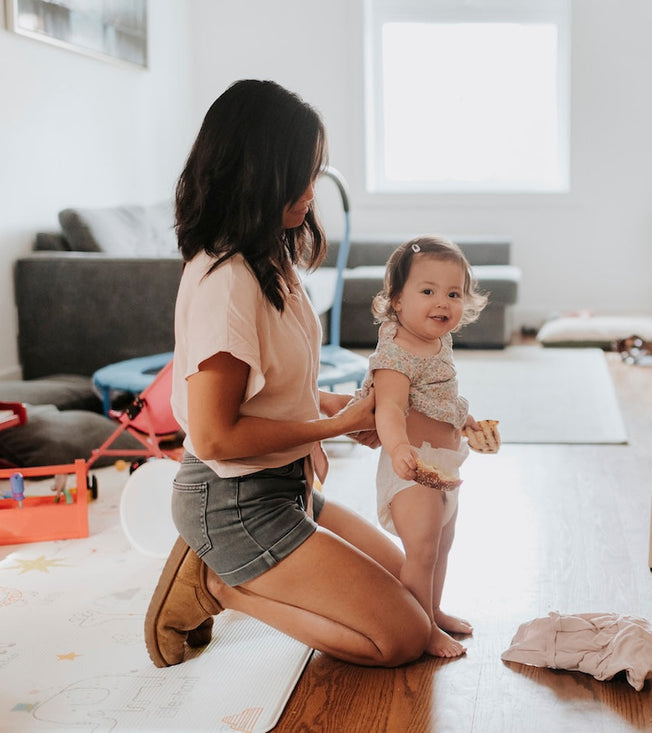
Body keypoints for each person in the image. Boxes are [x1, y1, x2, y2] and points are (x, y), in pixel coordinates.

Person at [144, 79, 430, 669]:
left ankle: (234, 568)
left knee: (415, 581)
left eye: (315, 170)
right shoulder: (225, 282)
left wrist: (341, 408)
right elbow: (218, 435)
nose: (310, 188)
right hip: (233, 501)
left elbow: (272, 392)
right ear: (255, 173)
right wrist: (332, 429)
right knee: (403, 636)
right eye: (299, 172)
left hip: (282, 486)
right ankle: (219, 586)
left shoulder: (269, 255)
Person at [355, 235, 488, 657]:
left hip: (445, 464)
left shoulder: (438, 341)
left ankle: (432, 610)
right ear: (396, 299)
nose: (442, 303)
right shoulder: (395, 354)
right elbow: (390, 410)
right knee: (422, 550)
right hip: (411, 467)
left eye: (453, 293)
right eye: (427, 291)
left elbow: (440, 397)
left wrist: (463, 420)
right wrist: (397, 450)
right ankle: (420, 628)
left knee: (442, 544)